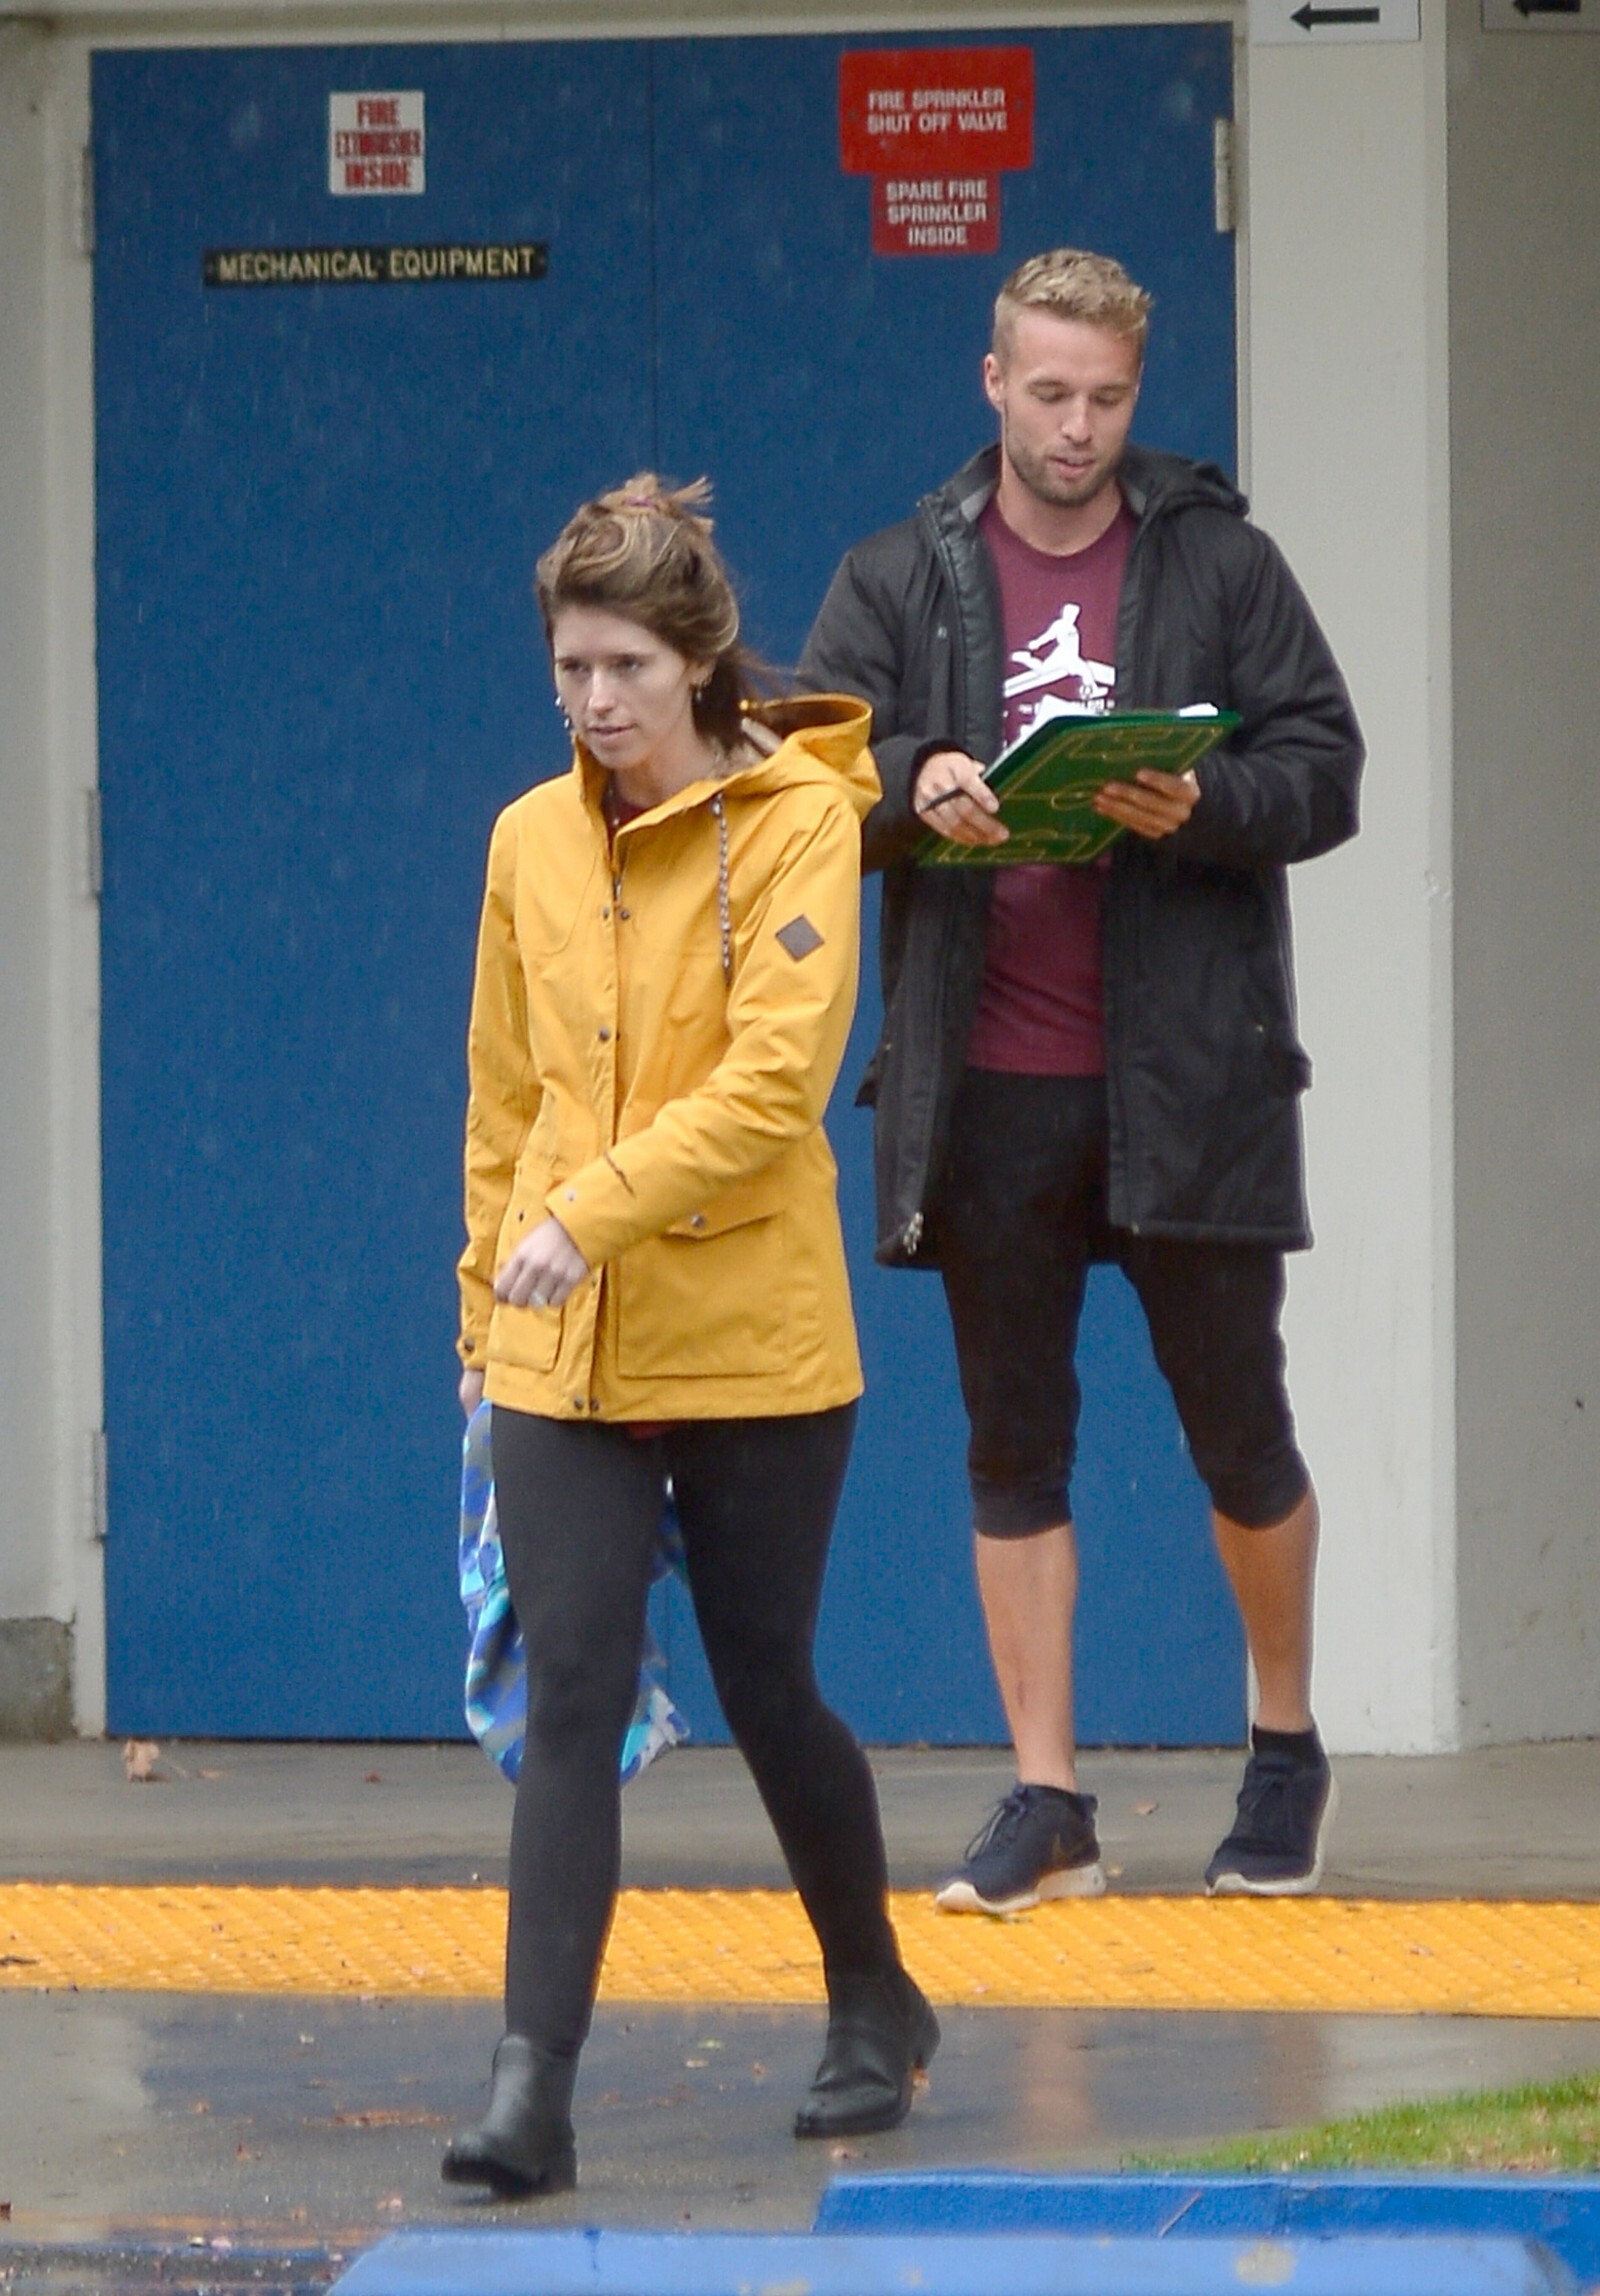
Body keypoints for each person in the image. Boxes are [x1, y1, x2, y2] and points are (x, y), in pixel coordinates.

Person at [799, 249, 1364, 1915]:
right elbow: (805, 772)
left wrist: (1209, 804)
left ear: (1136, 390)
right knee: (1012, 1445)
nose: (1076, 428)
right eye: (1048, 393)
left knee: (1240, 1428)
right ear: (993, 382)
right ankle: (1049, 1802)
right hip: (988, 1080)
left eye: (1107, 398)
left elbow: (1325, 767)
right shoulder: (901, 569)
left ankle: (1284, 1748)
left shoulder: (1219, 557)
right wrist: (916, 776)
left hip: (1191, 1075)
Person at [445, 475, 937, 2199]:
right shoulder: (528, 839)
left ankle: (874, 1994)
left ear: (702, 665)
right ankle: (531, 2092)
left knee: (765, 1680)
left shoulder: (797, 820)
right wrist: (481, 1314)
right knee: (572, 1689)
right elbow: (504, 1098)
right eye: (570, 668)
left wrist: (587, 1216)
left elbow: (776, 1084)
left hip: (751, 1336)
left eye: (628, 669)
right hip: (557, 1346)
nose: (595, 702)